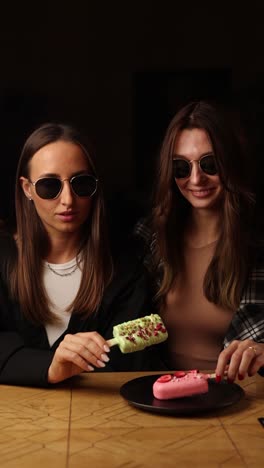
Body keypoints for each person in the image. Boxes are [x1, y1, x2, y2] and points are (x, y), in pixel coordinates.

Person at [0, 123, 158, 387]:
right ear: (27, 188)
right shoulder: (2, 259)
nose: (68, 200)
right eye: (50, 186)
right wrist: (48, 367)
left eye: (81, 184)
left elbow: (129, 368)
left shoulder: (125, 268)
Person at [134, 100, 264, 382]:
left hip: (236, 397)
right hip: (156, 396)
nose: (196, 179)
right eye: (181, 167)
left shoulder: (257, 245)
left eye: (210, 164)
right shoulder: (149, 238)